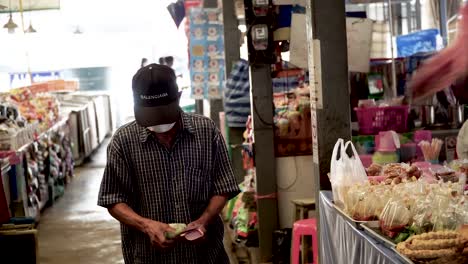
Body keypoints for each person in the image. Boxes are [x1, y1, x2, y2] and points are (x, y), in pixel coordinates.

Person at [98, 64, 240, 264]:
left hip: (205, 257)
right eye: (151, 118)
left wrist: (203, 220)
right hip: (149, 257)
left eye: (164, 115)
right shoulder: (123, 141)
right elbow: (113, 199)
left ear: (179, 98)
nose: (160, 128)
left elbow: (223, 186)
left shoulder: (206, 132)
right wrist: (146, 225)